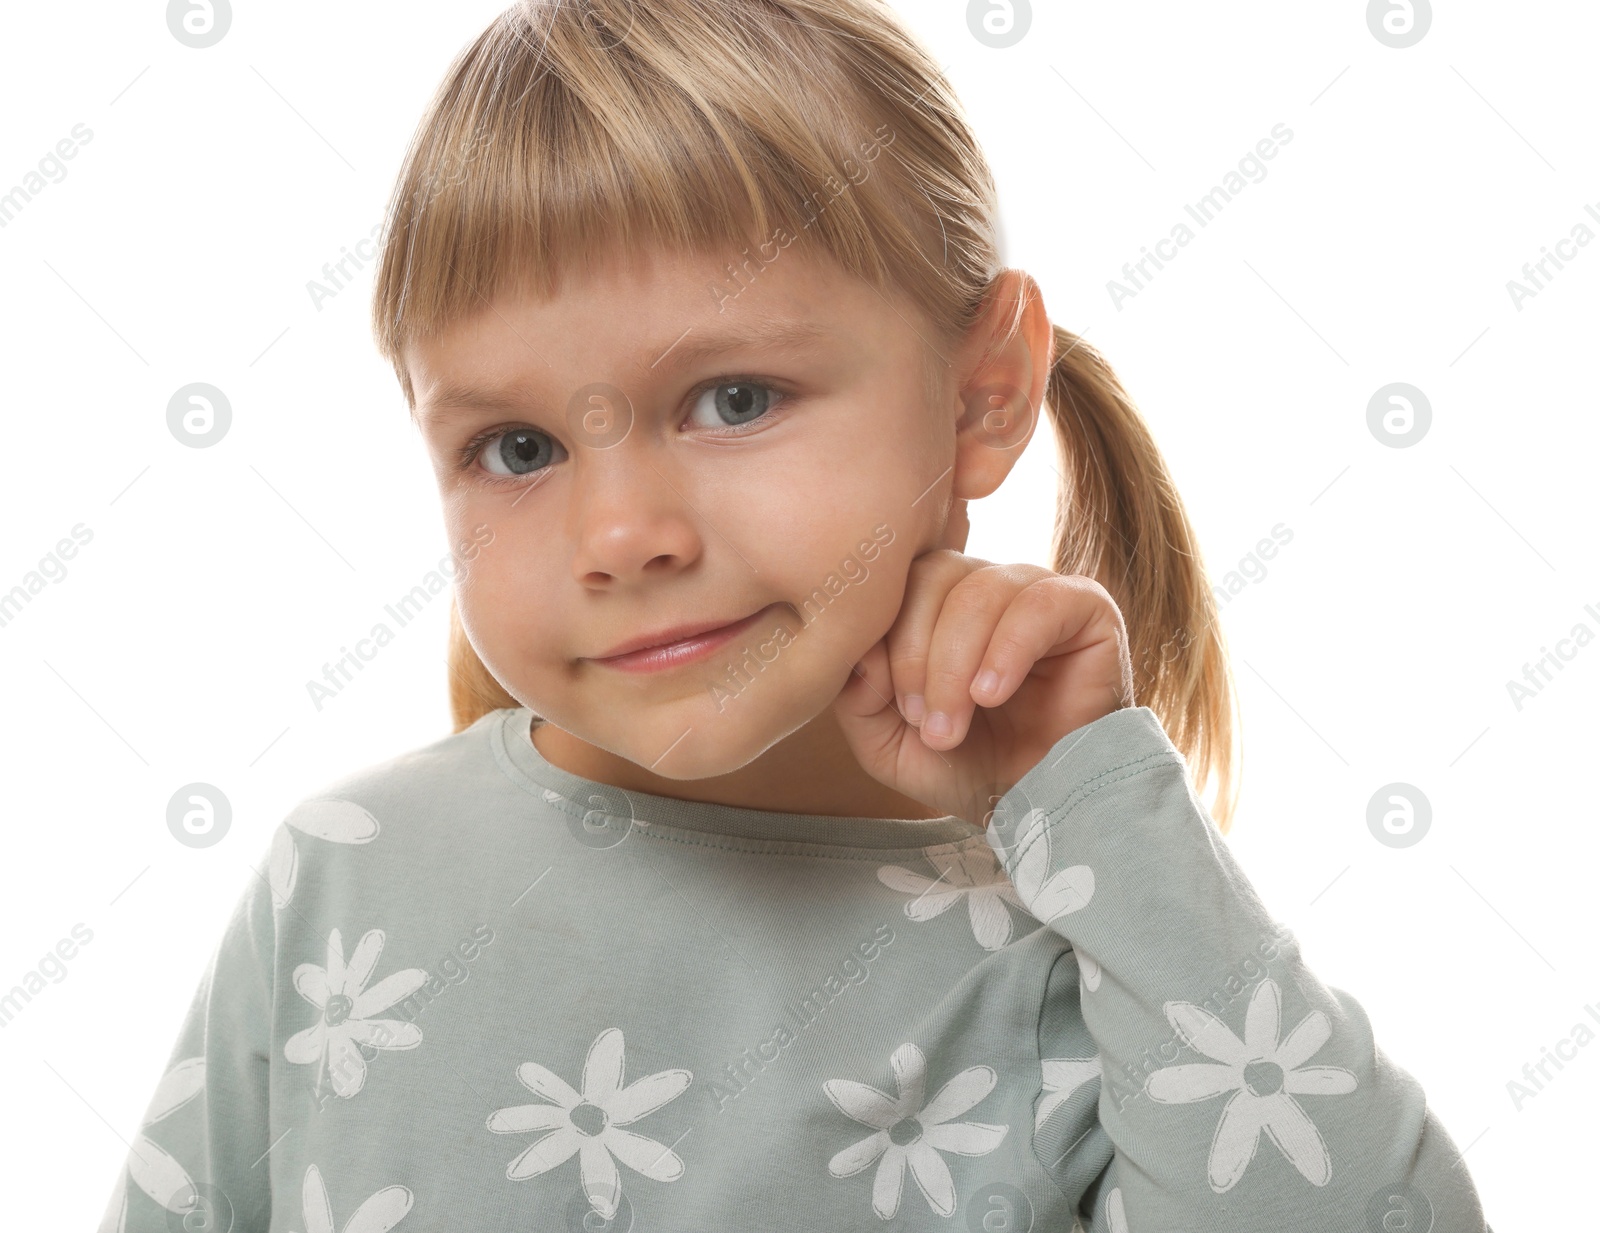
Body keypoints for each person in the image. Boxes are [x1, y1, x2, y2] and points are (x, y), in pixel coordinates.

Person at [99, 1, 1491, 1230]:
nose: (624, 536)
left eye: (735, 399)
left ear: (984, 392)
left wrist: (1102, 809)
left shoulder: (1081, 933)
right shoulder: (348, 881)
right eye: (518, 449)